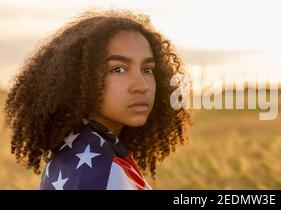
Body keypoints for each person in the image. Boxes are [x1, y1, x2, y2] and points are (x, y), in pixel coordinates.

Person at [3, 9, 191, 190]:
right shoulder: (100, 174)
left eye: (147, 69)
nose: (142, 86)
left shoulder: (83, 150)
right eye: (118, 69)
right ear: (79, 78)